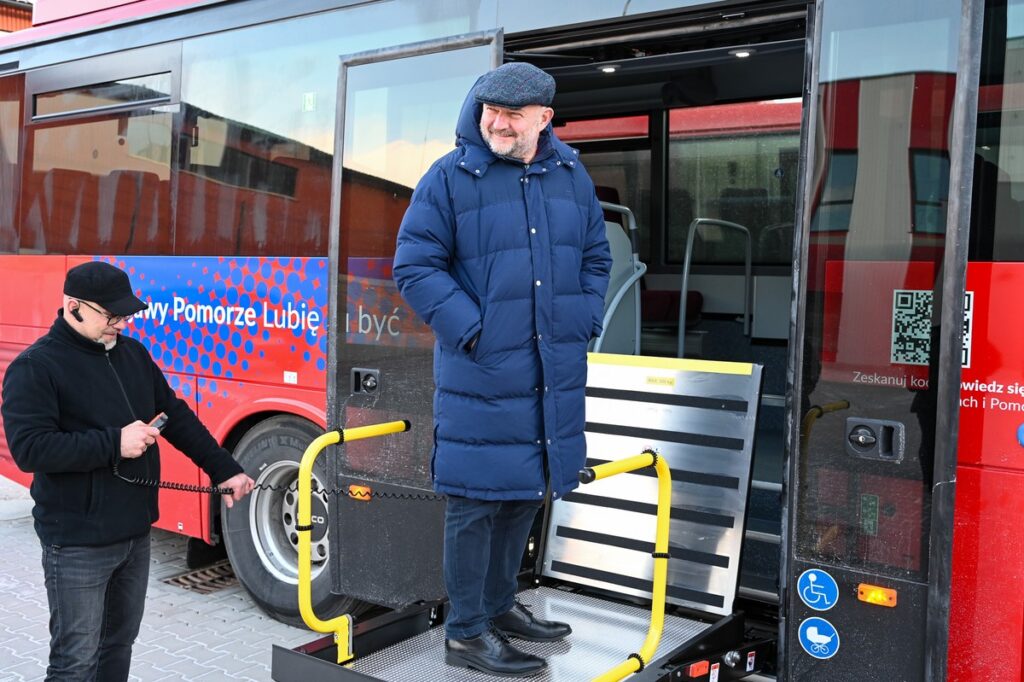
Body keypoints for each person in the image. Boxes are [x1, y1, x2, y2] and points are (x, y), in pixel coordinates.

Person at [394, 62, 611, 677]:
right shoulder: (449, 176)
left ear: (544, 118)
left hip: (551, 368)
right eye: (490, 110)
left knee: (523, 494)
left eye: (513, 114)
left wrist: (582, 318)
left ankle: (497, 606)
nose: (497, 123)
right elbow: (414, 266)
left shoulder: (570, 174)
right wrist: (475, 330)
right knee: (474, 503)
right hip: (482, 373)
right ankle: (465, 633)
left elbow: (596, 256)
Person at [1, 261, 255, 681]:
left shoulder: (132, 353)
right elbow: (30, 449)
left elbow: (175, 416)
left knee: (117, 647)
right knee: (74, 662)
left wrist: (224, 469)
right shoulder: (35, 367)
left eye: (126, 315)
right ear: (74, 306)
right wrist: (113, 443)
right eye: (111, 315)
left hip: (134, 533)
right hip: (77, 542)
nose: (121, 324)